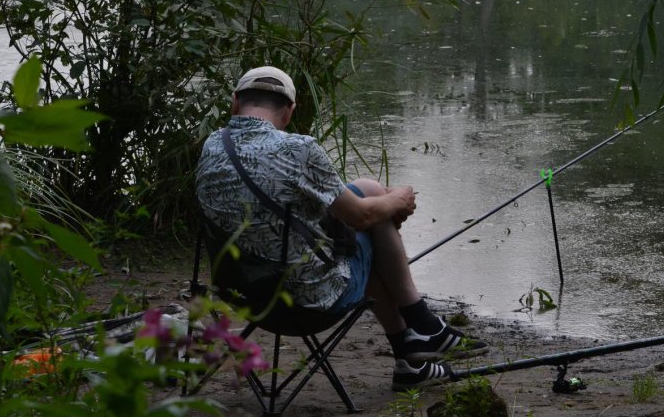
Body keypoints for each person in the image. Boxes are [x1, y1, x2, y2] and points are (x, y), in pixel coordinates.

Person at [196, 65, 487, 391]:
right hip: (305, 303)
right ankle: (422, 326)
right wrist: (399, 200)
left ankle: (411, 353)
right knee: (373, 213)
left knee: (365, 193)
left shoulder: (212, 146)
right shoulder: (298, 149)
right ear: (290, 112)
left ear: (236, 102)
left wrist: (375, 203)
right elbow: (361, 217)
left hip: (244, 297)